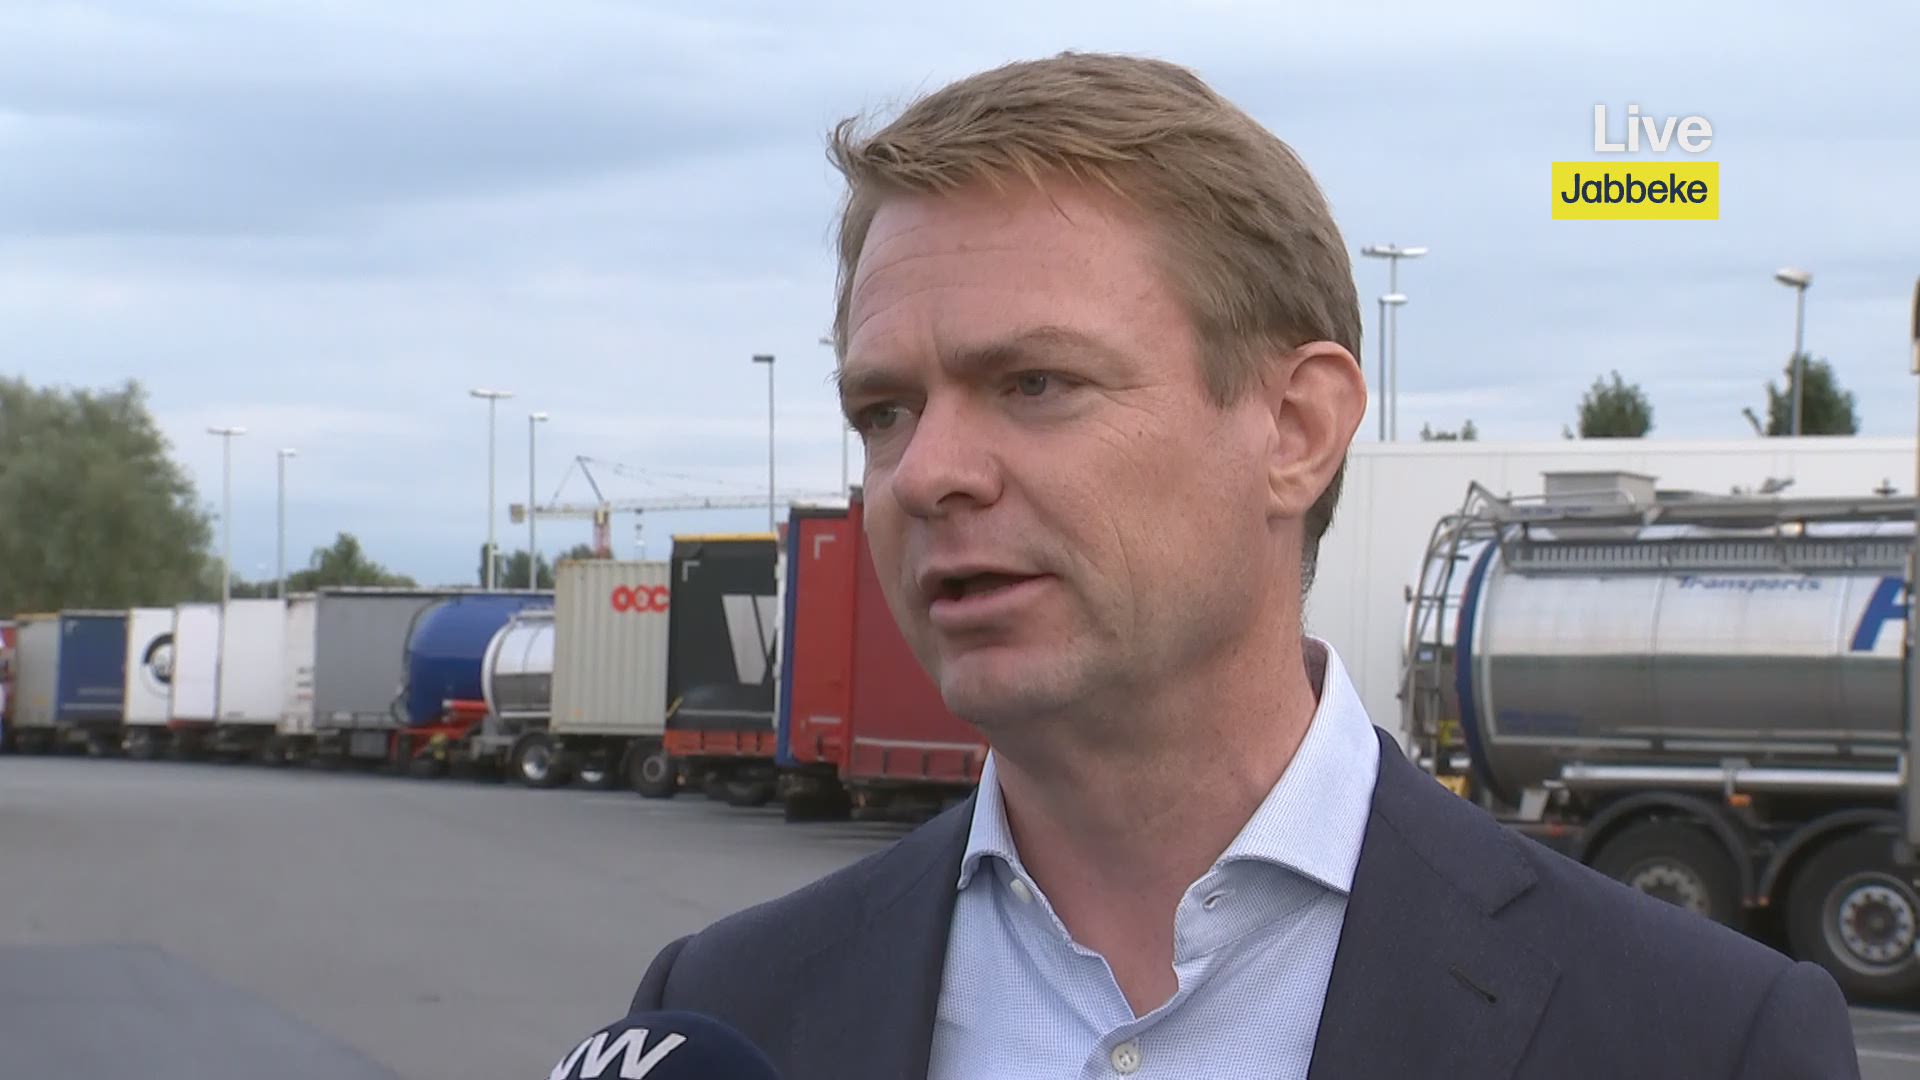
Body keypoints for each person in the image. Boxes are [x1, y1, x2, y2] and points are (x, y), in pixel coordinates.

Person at [630, 51, 1861, 1079]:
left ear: (1297, 430)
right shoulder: (728, 1008)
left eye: (1035, 383)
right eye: (885, 411)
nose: (925, 472)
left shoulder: (1704, 1039)